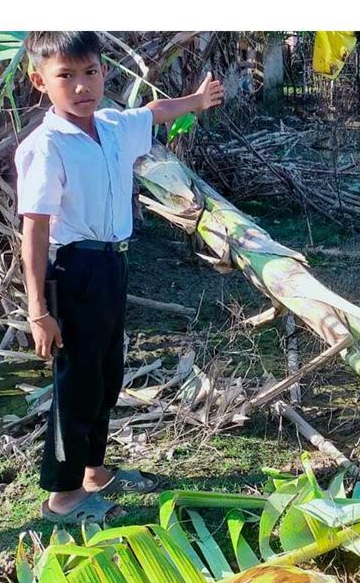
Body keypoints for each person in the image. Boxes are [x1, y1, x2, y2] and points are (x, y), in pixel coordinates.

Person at [16, 31, 224, 524]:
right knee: (77, 383)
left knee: (107, 375)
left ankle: (94, 471)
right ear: (39, 80)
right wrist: (39, 311)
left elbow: (154, 112)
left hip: (113, 264)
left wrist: (197, 99)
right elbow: (35, 231)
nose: (81, 86)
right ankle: (64, 497)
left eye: (90, 72)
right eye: (65, 76)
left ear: (104, 73)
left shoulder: (110, 127)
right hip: (76, 271)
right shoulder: (45, 146)